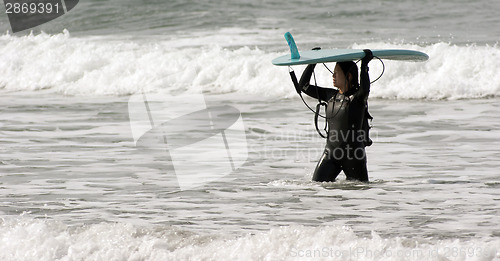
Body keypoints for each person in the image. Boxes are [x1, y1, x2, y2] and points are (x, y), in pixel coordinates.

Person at [297, 49, 373, 182]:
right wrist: (313, 62)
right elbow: (303, 86)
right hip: (331, 154)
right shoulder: (330, 96)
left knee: (361, 194)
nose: (333, 76)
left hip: (354, 156)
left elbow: (365, 88)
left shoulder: (357, 98)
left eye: (336, 73)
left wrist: (364, 66)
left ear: (348, 76)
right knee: (316, 187)